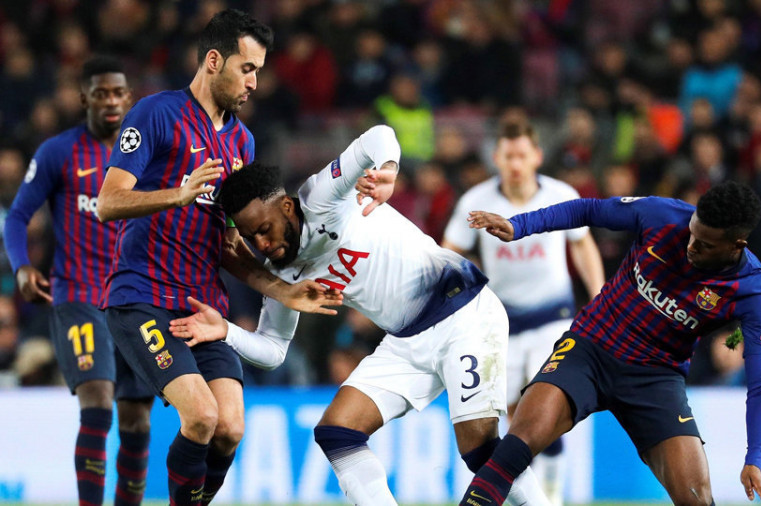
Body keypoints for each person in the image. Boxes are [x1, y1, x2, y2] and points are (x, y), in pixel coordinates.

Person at [168, 125, 550, 506]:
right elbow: (273, 350)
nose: (263, 244)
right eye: (252, 238)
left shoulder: (322, 197)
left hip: (463, 312)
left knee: (479, 450)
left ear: (286, 207)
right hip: (406, 339)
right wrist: (226, 332)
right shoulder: (282, 275)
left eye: (265, 229)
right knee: (337, 431)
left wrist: (388, 170)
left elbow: (379, 136)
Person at [95, 10, 335, 505]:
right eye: (246, 69)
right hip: (142, 298)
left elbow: (227, 246)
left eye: (259, 72)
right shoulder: (156, 114)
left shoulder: (241, 143)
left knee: (229, 428)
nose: (254, 83)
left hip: (203, 310)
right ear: (212, 61)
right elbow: (108, 202)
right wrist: (176, 195)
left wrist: (281, 289)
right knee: (200, 417)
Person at [458, 181, 761, 506]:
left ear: (737, 244)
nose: (691, 246)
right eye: (693, 232)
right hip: (590, 348)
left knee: (697, 499)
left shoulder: (753, 291)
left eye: (706, 244)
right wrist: (519, 225)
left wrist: (755, 459)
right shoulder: (662, 215)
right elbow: (588, 209)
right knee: (516, 446)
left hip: (656, 378)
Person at [3, 56, 155, 506]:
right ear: (84, 98)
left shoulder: (145, 154)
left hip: (134, 302)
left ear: (129, 100)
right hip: (79, 296)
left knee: (136, 423)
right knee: (97, 400)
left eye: (118, 93)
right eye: (101, 93)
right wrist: (21, 265)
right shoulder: (58, 152)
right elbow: (17, 216)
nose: (110, 101)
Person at [442, 121, 605, 504]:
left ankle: (552, 493)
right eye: (508, 155)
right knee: (513, 419)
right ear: (496, 158)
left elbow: (583, 245)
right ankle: (530, 493)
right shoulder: (476, 201)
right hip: (501, 325)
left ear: (537, 157)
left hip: (555, 317)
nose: (515, 163)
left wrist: (598, 295)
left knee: (544, 404)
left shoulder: (561, 194)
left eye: (522, 155)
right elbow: (449, 253)